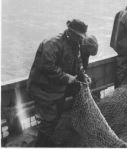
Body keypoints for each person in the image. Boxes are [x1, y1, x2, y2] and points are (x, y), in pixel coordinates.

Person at [27, 19, 93, 147]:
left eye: (82, 37)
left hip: (58, 88)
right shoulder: (52, 43)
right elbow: (47, 66)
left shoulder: (75, 44)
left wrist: (82, 75)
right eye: (79, 37)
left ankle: (47, 141)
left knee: (56, 115)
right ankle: (41, 145)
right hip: (42, 88)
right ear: (70, 32)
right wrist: (65, 77)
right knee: (49, 119)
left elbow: (78, 63)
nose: (81, 40)